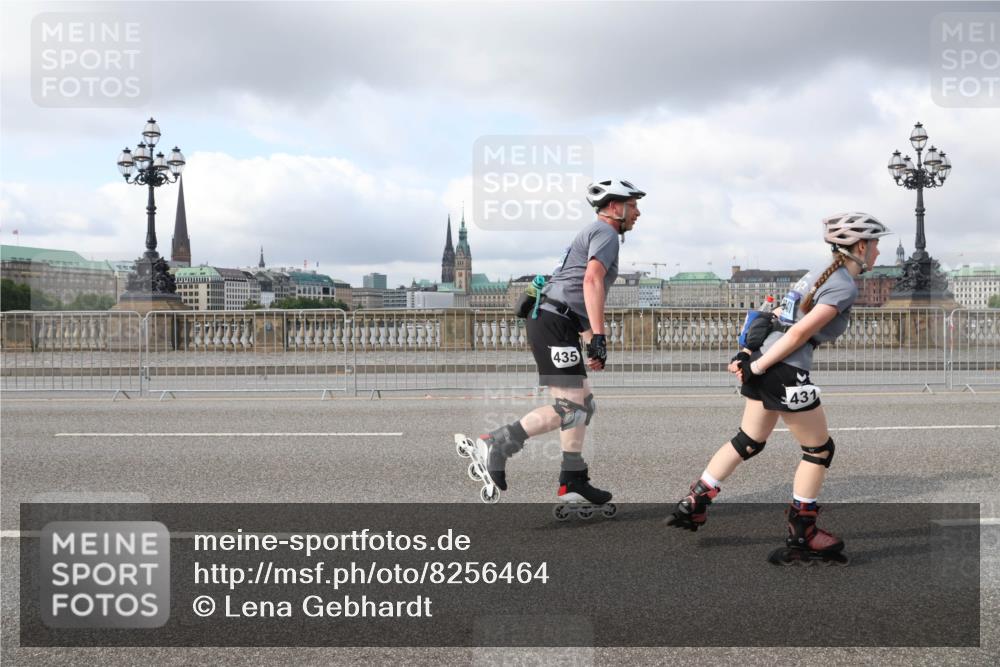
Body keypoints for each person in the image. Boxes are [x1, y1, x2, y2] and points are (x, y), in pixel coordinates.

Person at [666, 212, 891, 564]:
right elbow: (799, 333)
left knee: (748, 441)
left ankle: (696, 500)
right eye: (876, 244)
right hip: (782, 367)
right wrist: (757, 366)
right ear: (860, 246)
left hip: (767, 359)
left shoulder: (816, 271)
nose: (879, 252)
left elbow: (770, 316)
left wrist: (748, 356)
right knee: (819, 450)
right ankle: (803, 533)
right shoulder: (844, 285)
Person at [474, 179, 645, 507]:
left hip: (557, 321)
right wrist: (598, 337)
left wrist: (588, 339)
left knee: (583, 405)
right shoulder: (606, 233)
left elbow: (573, 294)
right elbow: (590, 281)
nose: (638, 211)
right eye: (633, 204)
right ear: (614, 207)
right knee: (570, 407)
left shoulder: (596, 234)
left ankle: (573, 480)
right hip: (553, 322)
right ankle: (498, 442)